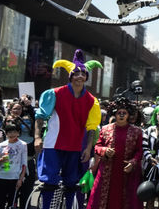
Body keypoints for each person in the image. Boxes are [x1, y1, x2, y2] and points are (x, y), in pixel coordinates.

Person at [35, 49, 102, 209]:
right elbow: (41, 116)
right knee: (49, 181)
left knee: (72, 182)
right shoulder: (55, 94)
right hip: (53, 144)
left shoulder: (92, 101)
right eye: (76, 73)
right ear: (71, 76)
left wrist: (88, 147)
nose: (80, 76)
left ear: (86, 77)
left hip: (74, 147)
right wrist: (37, 137)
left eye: (83, 74)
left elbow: (91, 127)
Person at [87, 97, 143, 209]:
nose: (121, 115)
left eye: (124, 113)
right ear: (114, 114)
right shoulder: (105, 129)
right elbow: (97, 146)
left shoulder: (136, 131)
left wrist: (133, 162)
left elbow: (140, 150)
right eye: (119, 113)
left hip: (127, 171)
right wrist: (104, 150)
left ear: (128, 115)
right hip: (107, 171)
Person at [0, 121, 27, 209]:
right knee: (0, 201)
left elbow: (24, 163)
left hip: (14, 177)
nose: (12, 134)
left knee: (12, 202)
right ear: (6, 134)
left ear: (18, 133)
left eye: (15, 132)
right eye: (9, 132)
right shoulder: (1, 145)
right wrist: (1, 160)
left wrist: (20, 179)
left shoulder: (22, 145)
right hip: (1, 176)